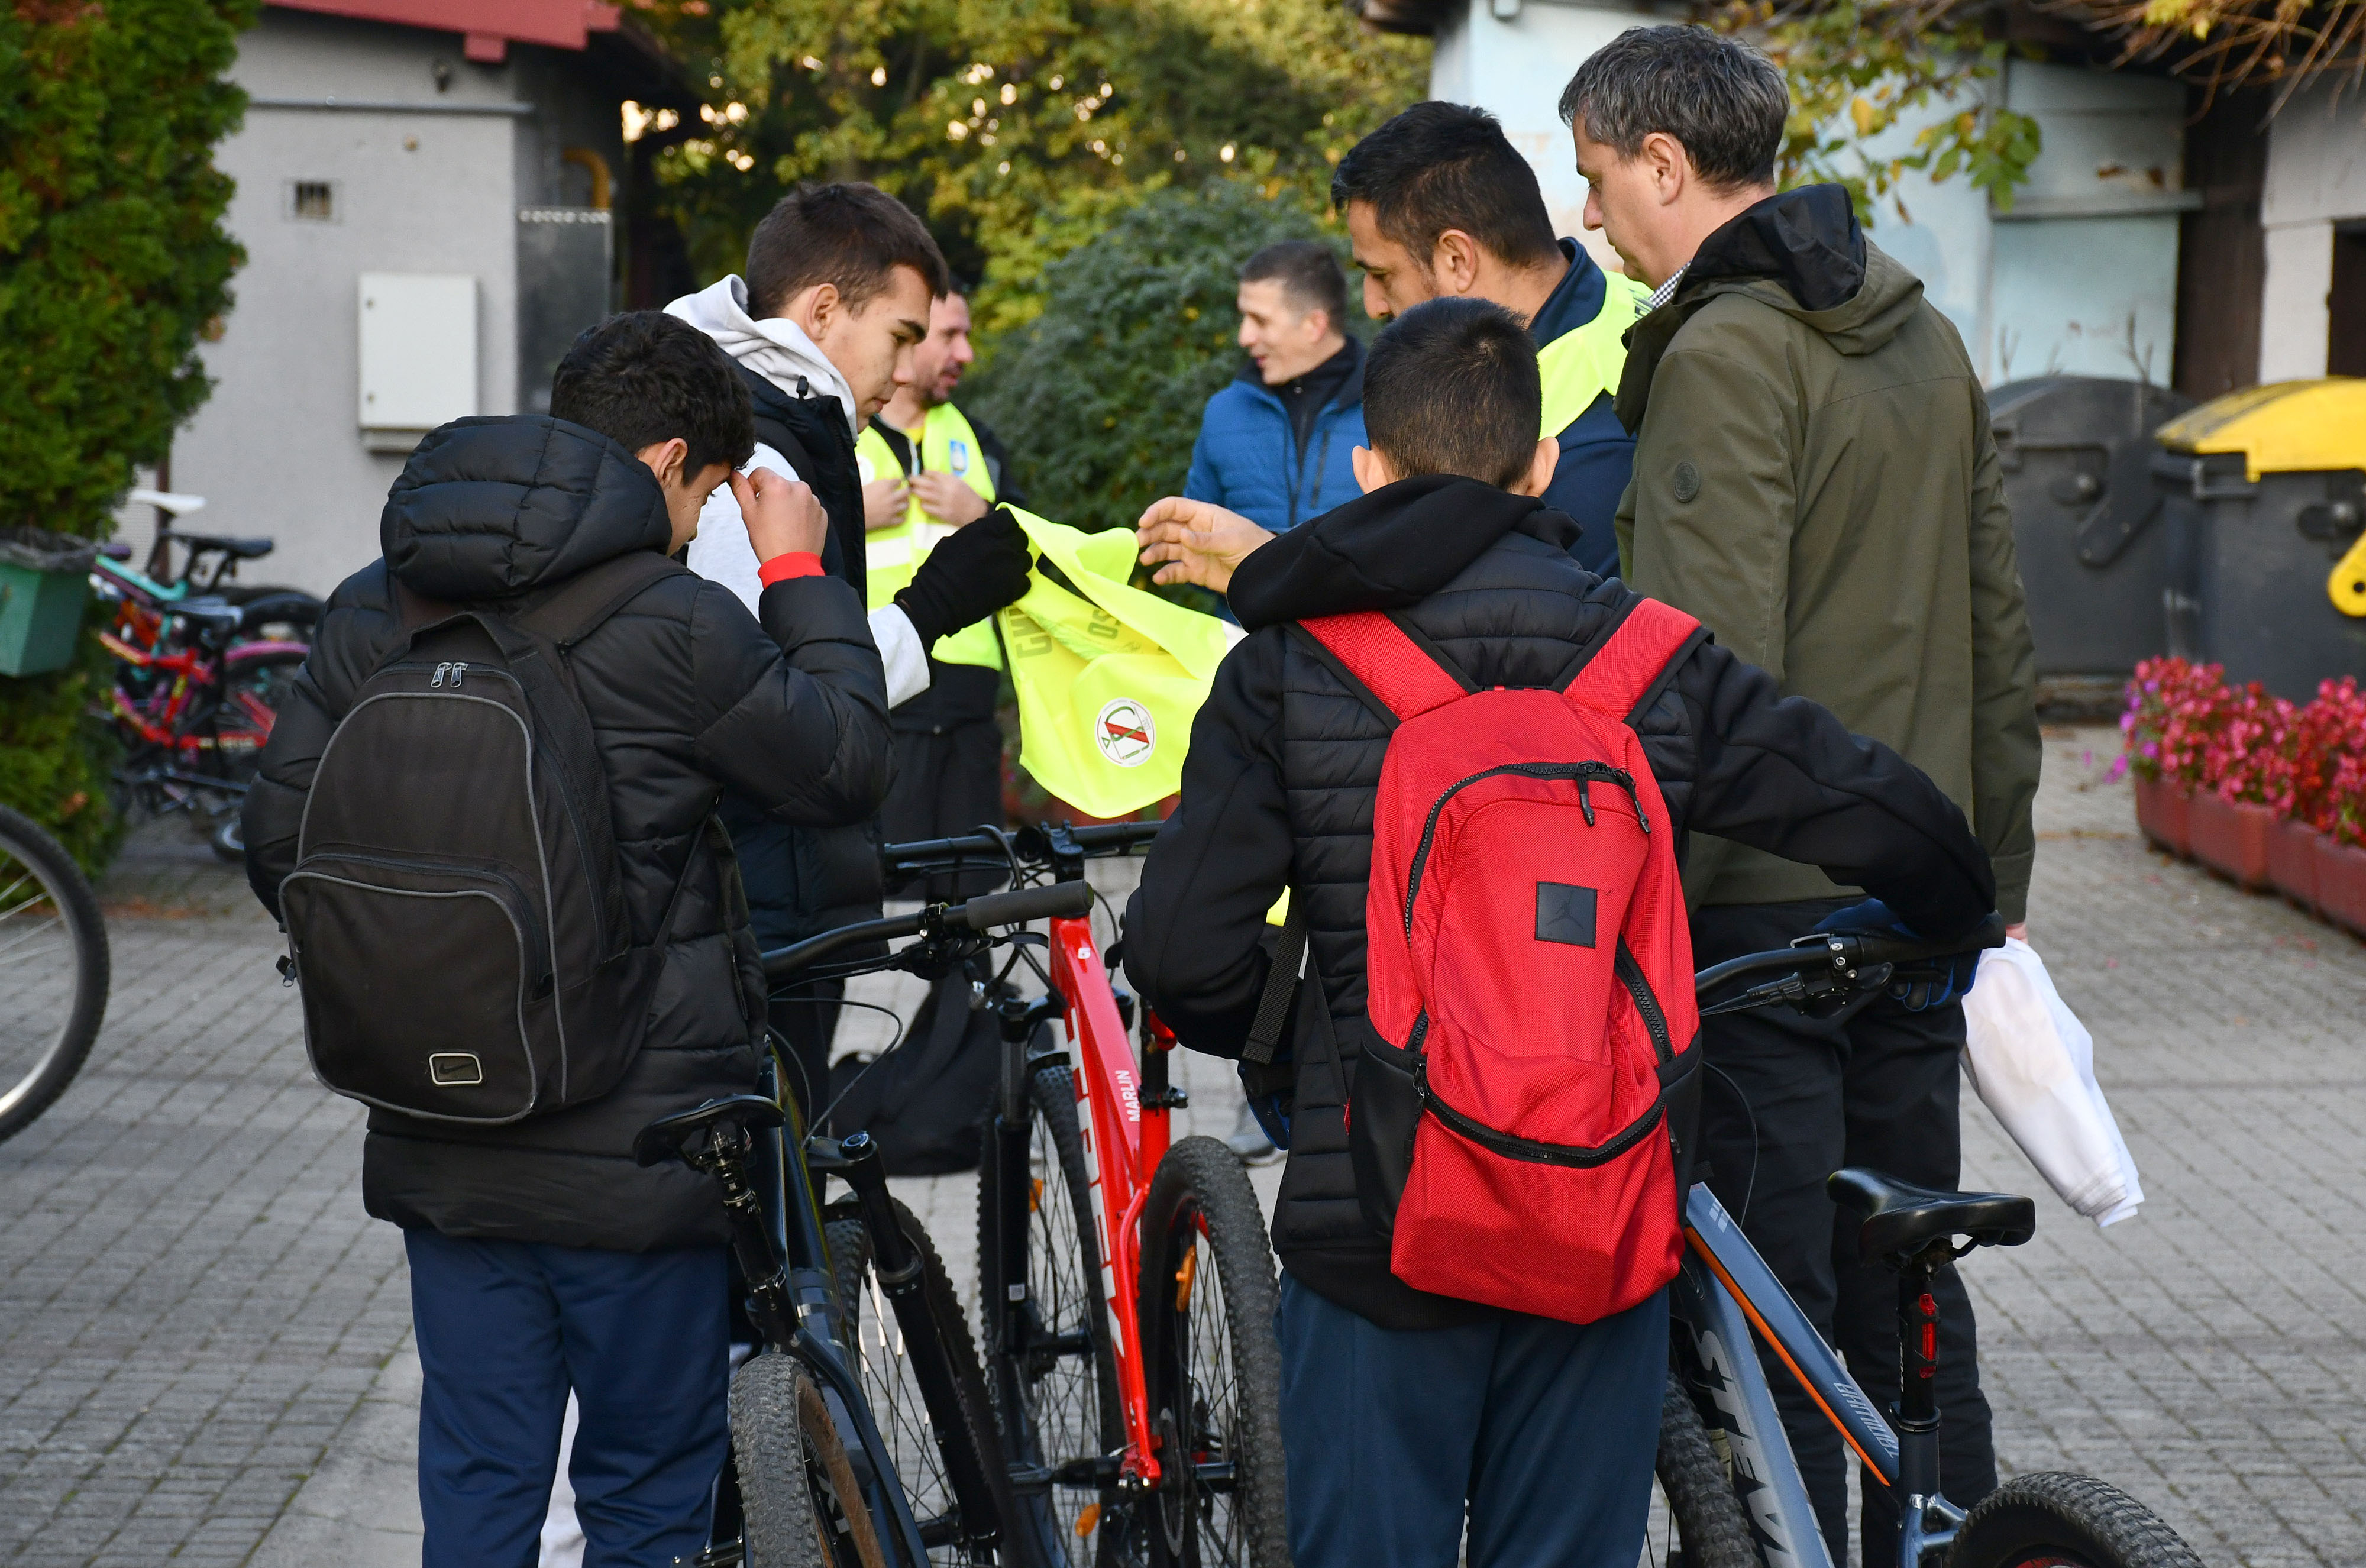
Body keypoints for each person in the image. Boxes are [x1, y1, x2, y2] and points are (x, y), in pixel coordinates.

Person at [1125, 296, 1999, 1568]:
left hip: (1374, 1219)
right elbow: (1879, 808)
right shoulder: (1652, 658)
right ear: (1538, 467)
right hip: (1598, 1210)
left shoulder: (1284, 665)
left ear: (1366, 465)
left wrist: (1300, 1042)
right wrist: (1949, 917)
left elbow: (1178, 952)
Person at [240, 311, 893, 1564]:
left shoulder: (375, 606)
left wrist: (433, 988)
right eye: (706, 493)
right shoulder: (678, 623)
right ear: (661, 463)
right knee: (644, 1498)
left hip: (444, 1137)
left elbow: (281, 839)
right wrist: (802, 575)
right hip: (639, 1156)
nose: (707, 524)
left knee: (478, 1485)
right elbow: (844, 763)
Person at [1560, 25, 2042, 1563]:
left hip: (1761, 914)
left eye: (1595, 179)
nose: (1592, 219)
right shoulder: (1924, 334)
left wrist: (1638, 927)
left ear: (1664, 163)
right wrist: (1996, 884)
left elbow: (1700, 684)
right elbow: (2000, 625)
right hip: (1922, 889)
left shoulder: (1718, 352)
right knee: (1911, 1299)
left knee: (1780, 1322)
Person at [667, 183, 1032, 1115]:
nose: (906, 364)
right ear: (824, 309)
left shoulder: (767, 416)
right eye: (903, 335)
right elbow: (776, 705)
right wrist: (932, 609)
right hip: (751, 885)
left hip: (765, 876)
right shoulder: (757, 451)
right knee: (773, 1177)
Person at [1330, 101, 1647, 575]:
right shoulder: (1635, 296)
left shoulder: (1588, 462)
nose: (1373, 304)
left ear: (1457, 258)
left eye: (1382, 273)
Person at [856, 280, 1022, 901]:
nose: (966, 352)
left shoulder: (980, 441)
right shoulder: (841, 440)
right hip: (880, 699)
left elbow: (1033, 546)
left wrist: (985, 510)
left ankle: (963, 1004)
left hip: (967, 712)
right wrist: (846, 510)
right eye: (950, 335)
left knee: (975, 901)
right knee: (886, 900)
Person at [1182, 239, 1368, 534]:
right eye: (1244, 317)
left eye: (1260, 321)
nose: (1245, 337)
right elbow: (1190, 548)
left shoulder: (1392, 409)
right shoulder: (1223, 413)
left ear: (1314, 325)